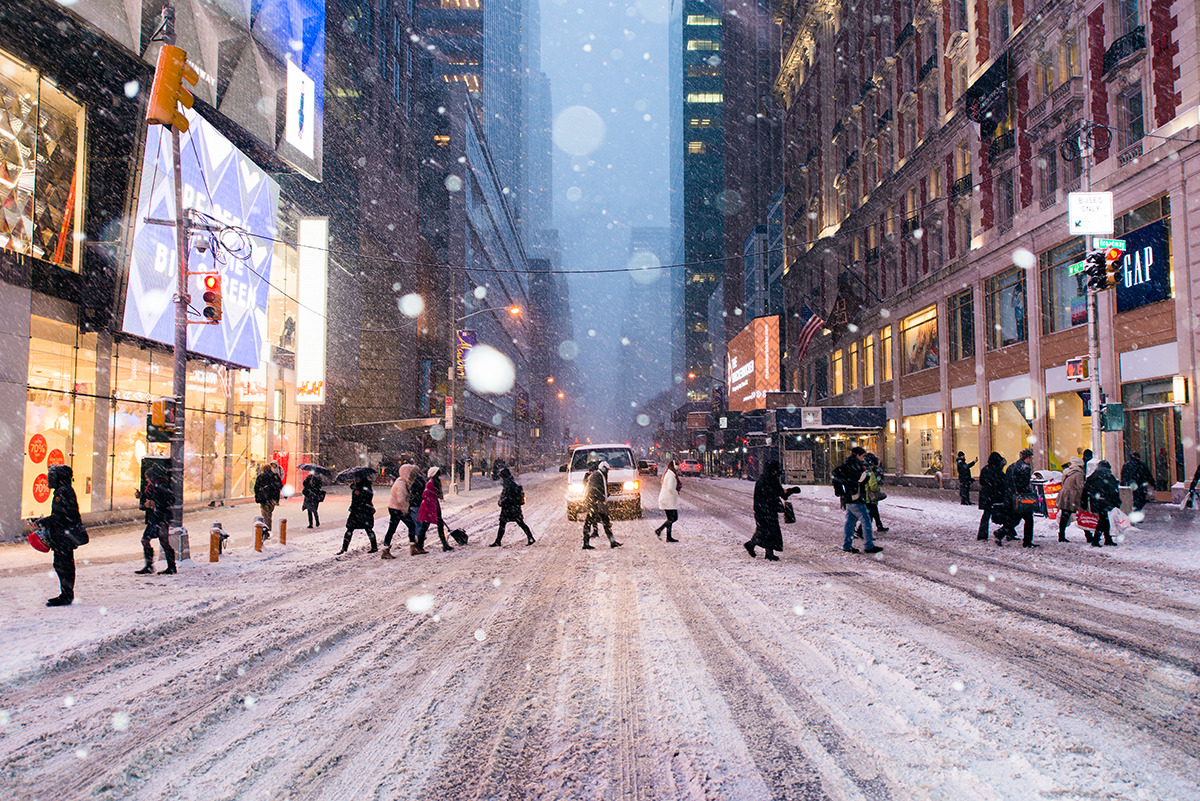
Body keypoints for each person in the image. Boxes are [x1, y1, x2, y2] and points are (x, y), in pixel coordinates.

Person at [39, 464, 83, 606]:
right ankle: (66, 593)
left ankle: (66, 595)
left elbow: (60, 516)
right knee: (63, 564)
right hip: (64, 535)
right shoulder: (65, 490)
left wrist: (43, 521)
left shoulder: (62, 492)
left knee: (63, 565)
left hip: (63, 536)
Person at [743, 460, 800, 561]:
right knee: (768, 531)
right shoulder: (769, 480)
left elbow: (778, 492)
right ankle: (753, 545)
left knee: (767, 531)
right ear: (772, 470)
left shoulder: (763, 479)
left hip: (762, 509)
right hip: (767, 509)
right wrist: (791, 491)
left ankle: (764, 551)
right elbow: (780, 493)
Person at [833, 447, 882, 555]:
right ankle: (868, 545)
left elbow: (836, 475)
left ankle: (847, 545)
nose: (863, 458)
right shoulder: (855, 466)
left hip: (850, 497)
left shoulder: (847, 465)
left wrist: (841, 491)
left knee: (850, 522)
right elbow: (860, 481)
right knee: (866, 520)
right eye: (862, 456)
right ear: (858, 455)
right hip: (856, 497)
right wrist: (865, 476)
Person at [136, 465, 176, 575]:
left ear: (152, 477)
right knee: (147, 540)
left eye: (147, 477)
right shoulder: (153, 486)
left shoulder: (161, 485)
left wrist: (155, 504)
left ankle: (170, 567)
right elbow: (153, 497)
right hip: (156, 517)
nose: (146, 480)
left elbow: (170, 500)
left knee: (162, 541)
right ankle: (150, 566)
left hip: (161, 517)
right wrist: (142, 496)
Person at [382, 460, 419, 558]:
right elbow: (401, 499)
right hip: (398, 509)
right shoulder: (401, 484)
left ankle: (386, 549)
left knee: (393, 528)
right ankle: (412, 546)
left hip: (395, 508)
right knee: (410, 526)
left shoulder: (402, 482)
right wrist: (405, 509)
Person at [492, 467, 535, 547]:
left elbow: (510, 497)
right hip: (509, 509)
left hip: (512, 509)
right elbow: (505, 496)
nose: (500, 479)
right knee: (506, 524)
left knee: (519, 523)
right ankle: (498, 541)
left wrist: (503, 501)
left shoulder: (510, 485)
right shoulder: (508, 484)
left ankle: (531, 538)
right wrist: (501, 501)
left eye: (501, 477)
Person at [582, 462, 622, 549]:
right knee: (590, 523)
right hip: (594, 503)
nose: (606, 471)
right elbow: (596, 491)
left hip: (596, 503)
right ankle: (586, 543)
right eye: (605, 470)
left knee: (605, 522)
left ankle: (612, 542)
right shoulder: (597, 476)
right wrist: (602, 502)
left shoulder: (599, 475)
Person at [1083, 460, 1121, 547]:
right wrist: (1117, 502)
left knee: (1104, 519)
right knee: (1103, 520)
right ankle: (1097, 539)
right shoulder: (1109, 477)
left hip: (1095, 501)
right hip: (1105, 501)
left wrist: (1084, 501)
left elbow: (1085, 490)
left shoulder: (1092, 477)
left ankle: (1107, 539)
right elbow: (1114, 491)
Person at [338, 473, 378, 554]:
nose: (356, 479)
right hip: (355, 510)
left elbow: (369, 496)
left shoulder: (366, 485)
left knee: (368, 529)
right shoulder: (355, 486)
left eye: (357, 478)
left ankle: (374, 547)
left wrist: (361, 493)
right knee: (349, 528)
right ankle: (344, 548)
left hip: (365, 510)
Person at [1006, 448, 1037, 548]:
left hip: (1013, 495)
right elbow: (1024, 483)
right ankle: (1027, 541)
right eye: (1030, 458)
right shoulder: (1025, 468)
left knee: (1015, 518)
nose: (1030, 460)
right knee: (1028, 519)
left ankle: (1001, 532)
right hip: (1023, 497)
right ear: (1027, 458)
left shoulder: (1013, 466)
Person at [417, 466, 454, 552]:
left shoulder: (434, 482)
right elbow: (425, 496)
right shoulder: (430, 483)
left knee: (433, 526)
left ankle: (421, 545)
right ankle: (420, 545)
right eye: (438, 473)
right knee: (426, 527)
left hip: (433, 507)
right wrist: (433, 503)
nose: (439, 475)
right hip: (429, 508)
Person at [977, 452, 1009, 544]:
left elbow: (982, 481)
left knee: (985, 516)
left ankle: (982, 535)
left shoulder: (985, 469)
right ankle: (1006, 532)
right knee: (1003, 514)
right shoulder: (997, 471)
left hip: (986, 496)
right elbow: (1002, 483)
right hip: (994, 496)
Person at [1056, 456, 1085, 542]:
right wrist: (1082, 498)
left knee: (1064, 515)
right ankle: (1088, 535)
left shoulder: (1067, 472)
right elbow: (1080, 487)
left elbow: (1063, 482)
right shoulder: (1078, 474)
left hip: (1064, 494)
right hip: (1072, 497)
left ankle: (1061, 534)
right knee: (1082, 514)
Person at [654, 460, 681, 542]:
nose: (678, 467)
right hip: (667, 500)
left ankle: (668, 537)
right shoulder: (670, 476)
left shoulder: (669, 474)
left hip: (667, 499)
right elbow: (670, 488)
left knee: (670, 518)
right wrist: (676, 493)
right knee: (674, 518)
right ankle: (659, 530)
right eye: (677, 465)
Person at [254, 462, 282, 532]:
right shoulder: (275, 476)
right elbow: (280, 486)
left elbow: (256, 488)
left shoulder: (261, 476)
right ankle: (268, 528)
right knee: (269, 513)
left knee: (265, 514)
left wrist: (257, 496)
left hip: (264, 498)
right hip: (273, 498)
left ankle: (266, 529)